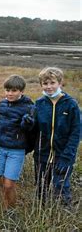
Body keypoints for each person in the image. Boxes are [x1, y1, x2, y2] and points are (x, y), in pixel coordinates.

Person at [33, 67, 80, 207]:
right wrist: (27, 124)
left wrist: (67, 157)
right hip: (42, 155)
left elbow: (76, 133)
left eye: (52, 83)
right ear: (41, 85)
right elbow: (34, 130)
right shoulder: (39, 103)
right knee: (41, 188)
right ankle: (41, 214)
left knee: (61, 187)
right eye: (45, 84)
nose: (49, 87)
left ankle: (64, 213)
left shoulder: (71, 104)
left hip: (63, 155)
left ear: (60, 83)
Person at [0, 75, 34, 211]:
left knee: (9, 184)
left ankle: (11, 211)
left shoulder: (29, 107)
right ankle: (5, 207)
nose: (10, 94)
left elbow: (29, 130)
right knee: (1, 181)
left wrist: (27, 123)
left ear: (21, 91)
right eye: (7, 90)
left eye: (14, 91)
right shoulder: (2, 104)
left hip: (16, 151)